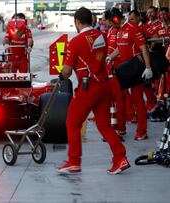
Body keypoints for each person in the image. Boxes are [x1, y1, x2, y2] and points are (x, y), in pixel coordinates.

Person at [56, 7, 129, 175]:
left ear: (77, 22)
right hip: (105, 85)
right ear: (92, 20)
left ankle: (74, 161)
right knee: (104, 125)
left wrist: (63, 74)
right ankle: (120, 157)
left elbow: (66, 71)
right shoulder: (101, 36)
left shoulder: (76, 41)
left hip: (89, 87)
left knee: (72, 123)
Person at [106, 8, 152, 141]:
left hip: (136, 68)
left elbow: (143, 47)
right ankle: (121, 128)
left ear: (115, 18)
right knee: (123, 97)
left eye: (111, 21)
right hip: (125, 69)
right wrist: (110, 57)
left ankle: (142, 131)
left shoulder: (132, 27)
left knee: (137, 100)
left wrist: (148, 68)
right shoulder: (119, 30)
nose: (111, 25)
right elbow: (120, 48)